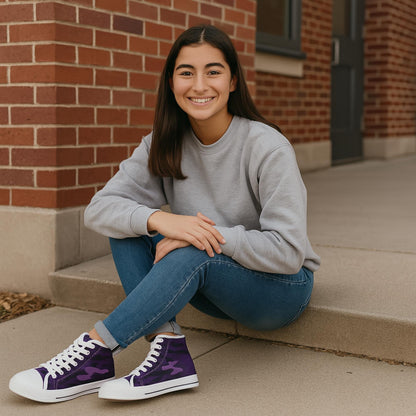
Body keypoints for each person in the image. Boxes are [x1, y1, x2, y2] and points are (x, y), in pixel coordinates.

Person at [9, 24, 320, 404]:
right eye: (186, 72)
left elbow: (288, 252)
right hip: (213, 285)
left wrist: (205, 235)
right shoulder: (163, 141)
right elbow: (101, 209)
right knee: (128, 227)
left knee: (193, 246)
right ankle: (168, 351)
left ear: (234, 81)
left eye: (213, 71)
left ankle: (96, 350)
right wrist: (160, 219)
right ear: (172, 83)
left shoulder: (267, 146)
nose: (199, 85)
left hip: (278, 290)